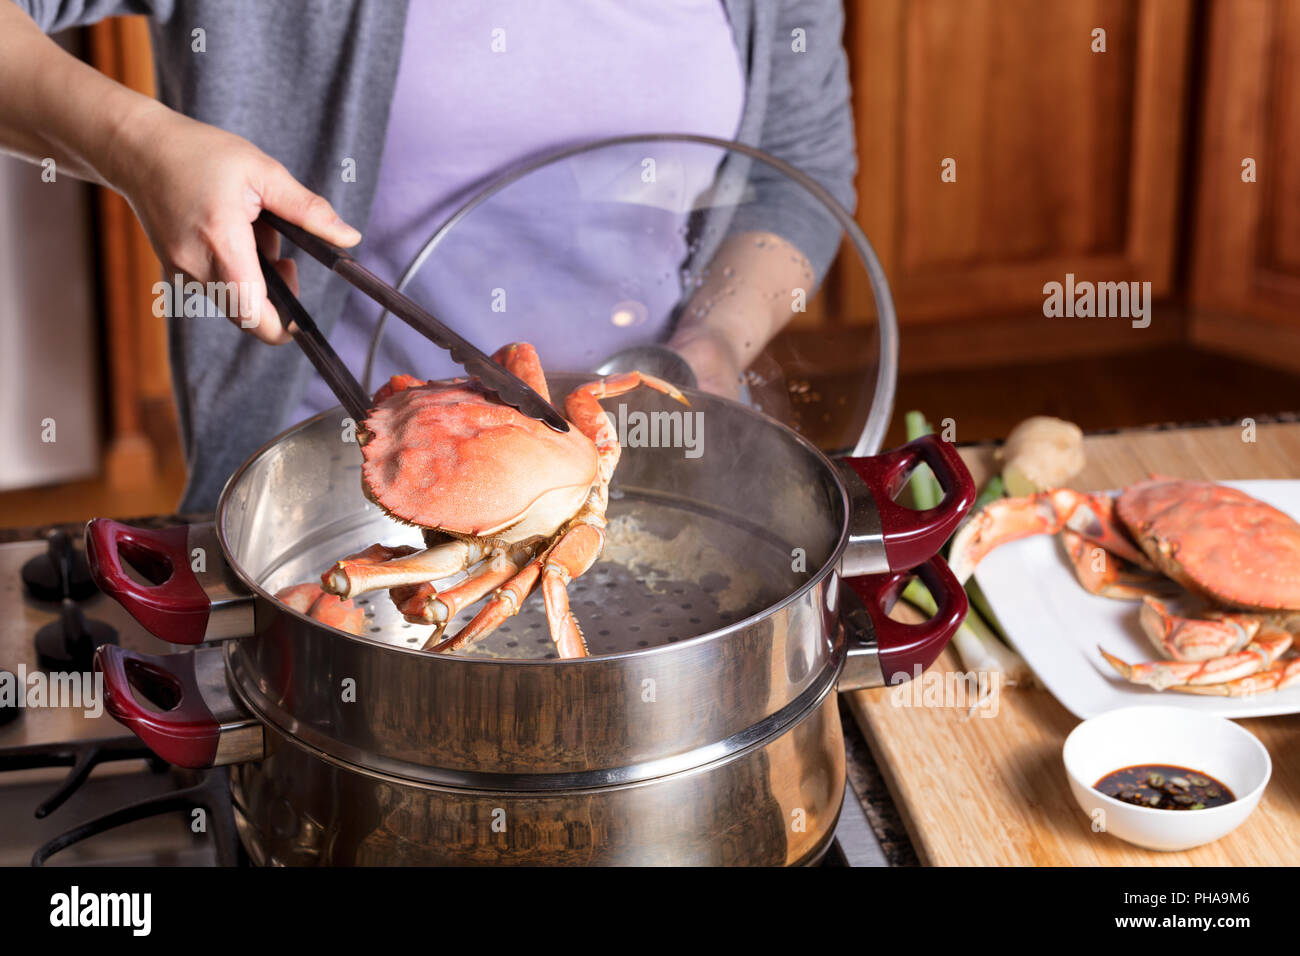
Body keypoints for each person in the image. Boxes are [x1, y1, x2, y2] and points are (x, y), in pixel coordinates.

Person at [1, 1, 855, 511]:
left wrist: (705, 350)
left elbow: (800, 162)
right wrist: (140, 145)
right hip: (327, 500)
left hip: (649, 493)